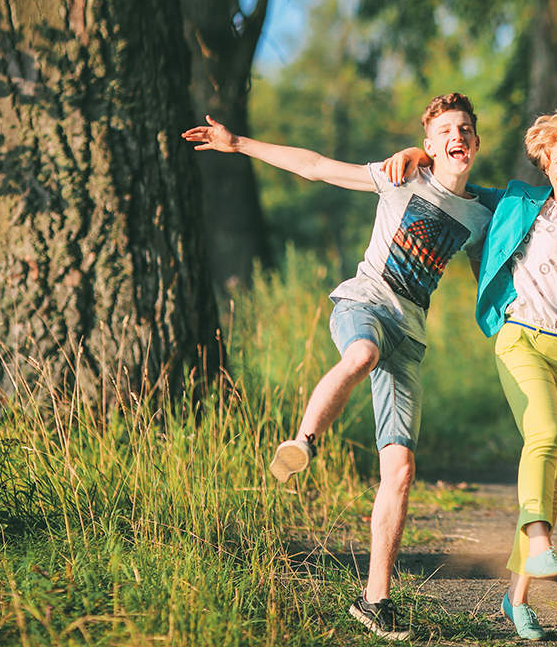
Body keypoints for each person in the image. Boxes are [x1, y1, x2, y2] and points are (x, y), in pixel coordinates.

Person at [181, 94, 492, 641]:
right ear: (429, 145)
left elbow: (510, 249)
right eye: (444, 130)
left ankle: (376, 602)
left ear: (476, 142)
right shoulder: (399, 177)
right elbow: (317, 167)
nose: (456, 137)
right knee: (361, 354)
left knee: (399, 471)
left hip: (412, 337)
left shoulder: (483, 214)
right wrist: (237, 144)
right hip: (364, 305)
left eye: (465, 129)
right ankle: (303, 441)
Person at [384, 113, 557, 641]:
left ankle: (516, 599)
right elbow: (456, 176)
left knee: (554, 477)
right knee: (540, 435)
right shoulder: (517, 202)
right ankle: (539, 542)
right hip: (523, 340)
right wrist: (420, 153)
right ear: (546, 162)